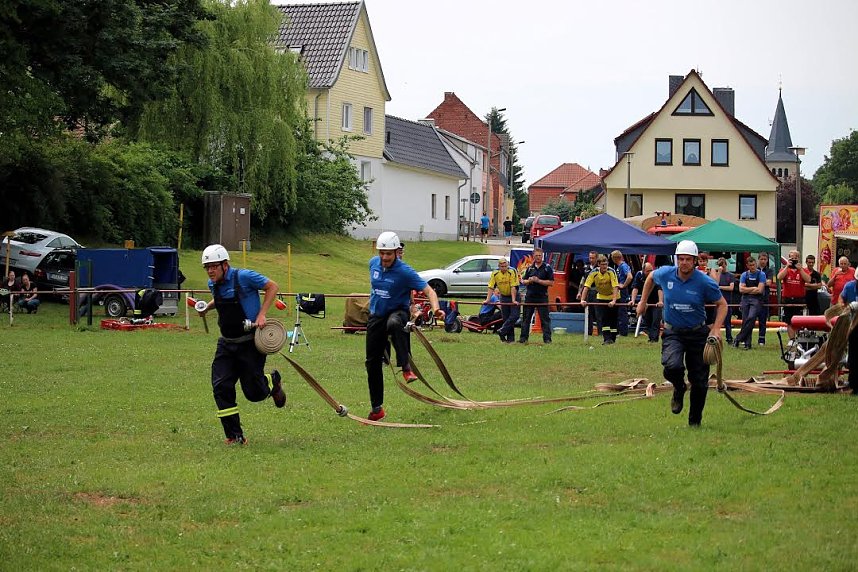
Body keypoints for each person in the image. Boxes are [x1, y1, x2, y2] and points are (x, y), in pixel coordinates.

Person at [197, 244, 285, 446]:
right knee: (221, 387)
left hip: (249, 344)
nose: (210, 271)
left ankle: (272, 381)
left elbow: (272, 286)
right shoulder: (213, 284)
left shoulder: (244, 277)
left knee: (254, 393)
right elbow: (220, 298)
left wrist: (262, 314)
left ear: (225, 265)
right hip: (226, 345)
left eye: (214, 266)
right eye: (207, 267)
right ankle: (234, 435)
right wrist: (207, 308)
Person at [636, 240, 727, 426]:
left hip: (697, 333)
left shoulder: (704, 282)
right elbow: (651, 277)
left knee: (700, 381)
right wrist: (642, 301)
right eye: (680, 258)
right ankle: (679, 388)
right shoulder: (666, 273)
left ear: (695, 261)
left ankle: (694, 423)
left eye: (688, 259)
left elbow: (722, 305)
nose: (683, 262)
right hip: (673, 332)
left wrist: (716, 328)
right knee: (671, 367)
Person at [366, 231, 444, 421]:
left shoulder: (405, 271)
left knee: (394, 323)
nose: (384, 258)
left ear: (396, 252)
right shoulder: (372, 264)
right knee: (372, 363)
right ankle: (377, 409)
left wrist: (436, 309)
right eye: (382, 253)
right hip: (376, 316)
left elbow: (429, 291)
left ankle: (406, 367)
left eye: (389, 254)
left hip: (398, 312)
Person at [581, 255, 619, 345]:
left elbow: (615, 286)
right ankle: (606, 339)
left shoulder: (611, 271)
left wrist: (613, 300)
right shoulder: (593, 272)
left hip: (613, 296)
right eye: (603, 264)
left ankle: (613, 338)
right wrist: (582, 299)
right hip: (601, 297)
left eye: (606, 264)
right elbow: (586, 286)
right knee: (604, 318)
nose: (605, 266)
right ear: (598, 265)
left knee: (613, 319)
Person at [518, 247, 554, 344]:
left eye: (539, 256)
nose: (538, 257)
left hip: (542, 297)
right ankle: (523, 338)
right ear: (533, 256)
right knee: (526, 318)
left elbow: (551, 282)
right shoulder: (530, 268)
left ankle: (547, 339)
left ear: (542, 256)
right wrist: (529, 280)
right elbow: (523, 281)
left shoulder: (547, 268)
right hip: (530, 296)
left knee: (545, 319)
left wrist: (539, 281)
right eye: (536, 256)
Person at [777, 249, 811, 344]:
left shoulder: (802, 270)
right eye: (792, 258)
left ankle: (798, 338)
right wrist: (787, 266)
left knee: (798, 321)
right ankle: (791, 340)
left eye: (795, 258)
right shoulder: (785, 269)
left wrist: (800, 270)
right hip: (787, 298)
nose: (793, 259)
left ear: (798, 258)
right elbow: (779, 277)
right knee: (788, 320)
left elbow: (808, 279)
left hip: (799, 299)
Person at [734, 256, 767, 350]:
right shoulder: (744, 275)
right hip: (745, 299)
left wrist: (747, 290)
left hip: (756, 300)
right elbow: (741, 289)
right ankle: (747, 344)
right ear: (747, 266)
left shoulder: (761, 274)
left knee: (751, 317)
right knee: (745, 320)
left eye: (754, 265)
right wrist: (753, 288)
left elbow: (760, 290)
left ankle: (738, 338)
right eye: (750, 265)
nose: (752, 267)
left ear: (756, 264)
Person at [487, 257, 520, 343]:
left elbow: (514, 286)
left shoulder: (512, 271)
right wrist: (487, 300)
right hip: (503, 296)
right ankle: (509, 339)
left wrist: (513, 300)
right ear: (499, 266)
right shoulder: (495, 273)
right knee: (506, 318)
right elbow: (491, 286)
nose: (504, 268)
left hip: (514, 295)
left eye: (505, 266)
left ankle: (502, 331)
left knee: (515, 316)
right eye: (502, 266)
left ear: (508, 265)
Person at [630, 262, 662, 342]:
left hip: (656, 301)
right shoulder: (639, 275)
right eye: (648, 271)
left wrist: (660, 301)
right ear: (643, 270)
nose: (650, 272)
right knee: (647, 320)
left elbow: (660, 289)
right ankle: (651, 337)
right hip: (645, 301)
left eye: (651, 270)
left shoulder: (656, 275)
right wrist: (633, 300)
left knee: (656, 320)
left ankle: (654, 339)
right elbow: (635, 288)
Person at [838, 275, 857, 394]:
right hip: (853, 326)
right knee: (854, 355)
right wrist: (842, 306)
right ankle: (854, 384)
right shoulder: (850, 286)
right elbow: (841, 298)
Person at [610, 250, 633, 336]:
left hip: (622, 292)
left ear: (614, 258)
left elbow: (630, 277)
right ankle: (619, 330)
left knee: (622, 310)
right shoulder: (619, 266)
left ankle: (623, 332)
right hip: (619, 291)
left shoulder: (623, 266)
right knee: (619, 311)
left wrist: (623, 285)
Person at [756, 252, 774, 346]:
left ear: (767, 261)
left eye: (765, 259)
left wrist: (759, 282)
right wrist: (763, 282)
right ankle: (746, 338)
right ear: (758, 260)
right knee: (750, 319)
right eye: (761, 259)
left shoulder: (769, 271)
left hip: (764, 298)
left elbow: (769, 283)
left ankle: (761, 339)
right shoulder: (754, 269)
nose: (763, 261)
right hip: (755, 297)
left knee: (763, 320)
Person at [716, 257, 735, 344]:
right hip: (718, 301)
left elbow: (731, 288)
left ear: (726, 264)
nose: (721, 267)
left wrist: (720, 287)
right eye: (719, 265)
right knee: (716, 321)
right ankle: (716, 337)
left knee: (727, 322)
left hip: (727, 301)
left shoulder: (730, 275)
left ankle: (729, 338)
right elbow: (714, 285)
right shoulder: (717, 275)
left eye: (722, 265)